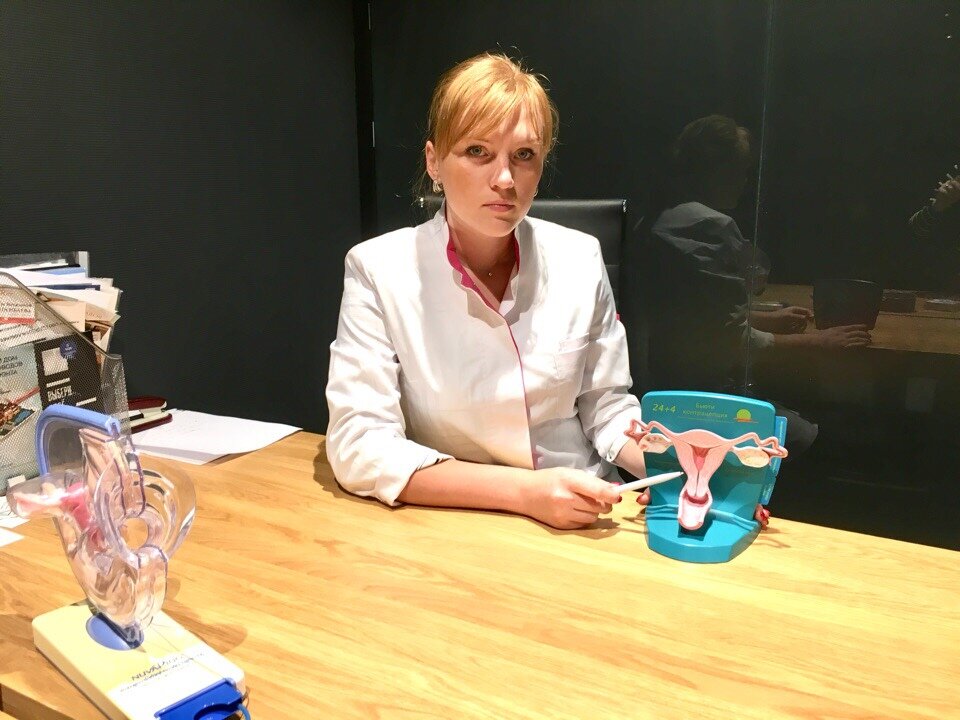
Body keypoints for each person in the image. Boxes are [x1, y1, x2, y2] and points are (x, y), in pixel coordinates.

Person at [326, 53, 646, 530]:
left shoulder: (580, 257)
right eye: (477, 151)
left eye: (524, 155)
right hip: (457, 521)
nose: (504, 179)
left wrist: (685, 465)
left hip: (585, 509)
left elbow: (606, 405)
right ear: (434, 161)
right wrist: (525, 493)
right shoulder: (378, 269)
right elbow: (359, 443)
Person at [644, 115, 871, 455]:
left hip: (658, 383)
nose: (745, 180)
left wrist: (765, 318)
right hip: (700, 398)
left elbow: (689, 317)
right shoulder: (708, 225)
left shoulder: (659, 215)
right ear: (714, 170)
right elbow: (728, 342)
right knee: (817, 438)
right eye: (740, 169)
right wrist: (819, 342)